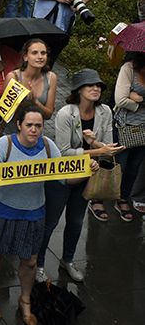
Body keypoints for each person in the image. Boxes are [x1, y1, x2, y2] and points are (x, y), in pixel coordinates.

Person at [0, 105, 65, 324]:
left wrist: (86, 170)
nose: (34, 130)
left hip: (33, 212)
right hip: (1, 209)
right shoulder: (4, 144)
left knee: (31, 260)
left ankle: (25, 299)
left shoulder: (47, 146)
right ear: (19, 125)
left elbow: (65, 176)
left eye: (38, 126)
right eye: (29, 125)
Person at [36, 69, 123, 282]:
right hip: (62, 176)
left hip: (87, 174)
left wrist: (95, 143)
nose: (96, 89)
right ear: (78, 90)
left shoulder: (105, 112)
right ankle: (37, 264)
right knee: (51, 221)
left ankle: (68, 260)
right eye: (90, 85)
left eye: (99, 86)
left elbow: (108, 146)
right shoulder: (67, 113)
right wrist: (97, 151)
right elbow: (63, 151)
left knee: (75, 221)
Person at [113, 52, 145, 222]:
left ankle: (123, 198)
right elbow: (120, 99)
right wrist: (137, 102)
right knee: (121, 166)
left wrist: (138, 98)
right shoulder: (129, 69)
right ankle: (104, 195)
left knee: (134, 167)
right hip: (126, 126)